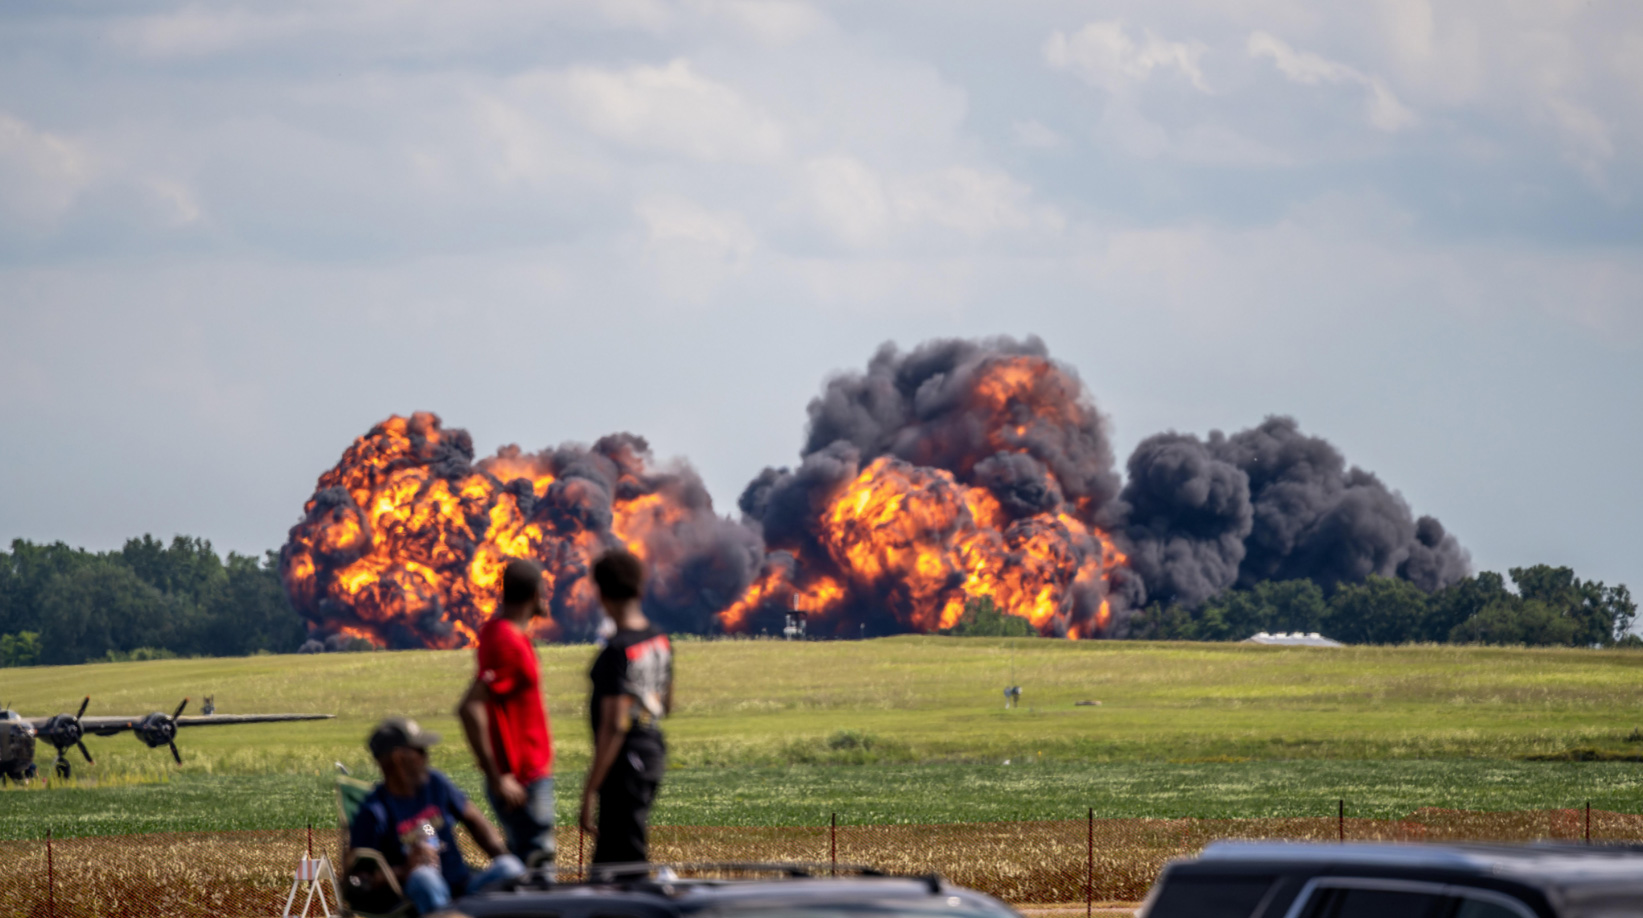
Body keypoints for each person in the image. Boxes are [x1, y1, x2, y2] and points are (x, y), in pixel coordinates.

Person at [348, 717, 524, 915]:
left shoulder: (436, 783)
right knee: (424, 877)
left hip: (465, 887)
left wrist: (501, 854)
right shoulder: (374, 811)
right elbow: (358, 880)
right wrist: (404, 871)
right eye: (420, 751)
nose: (426, 757)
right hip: (416, 899)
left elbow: (474, 820)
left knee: (510, 867)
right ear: (399, 758)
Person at [457, 558, 556, 872]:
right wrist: (498, 774)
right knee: (539, 865)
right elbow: (470, 708)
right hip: (521, 779)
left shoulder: (504, 633)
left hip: (525, 774)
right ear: (537, 594)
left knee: (526, 862)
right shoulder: (506, 641)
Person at [579, 549, 673, 866]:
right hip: (653, 750)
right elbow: (666, 704)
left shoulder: (616, 652)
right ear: (640, 589)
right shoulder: (660, 640)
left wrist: (591, 789)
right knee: (612, 856)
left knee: (624, 857)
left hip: (625, 762)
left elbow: (614, 725)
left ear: (602, 595)